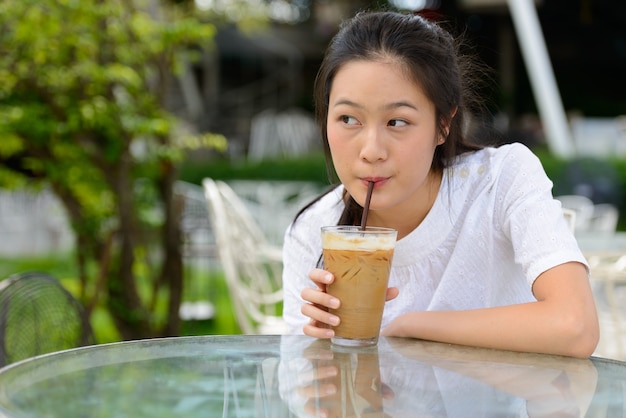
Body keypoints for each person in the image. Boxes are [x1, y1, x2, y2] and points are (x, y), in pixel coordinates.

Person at [281, 10, 599, 358]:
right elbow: (308, 403)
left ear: (443, 125)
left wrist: (408, 327)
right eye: (348, 119)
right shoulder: (315, 230)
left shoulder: (500, 182)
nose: (371, 151)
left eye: (397, 121)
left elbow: (575, 326)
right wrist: (321, 354)